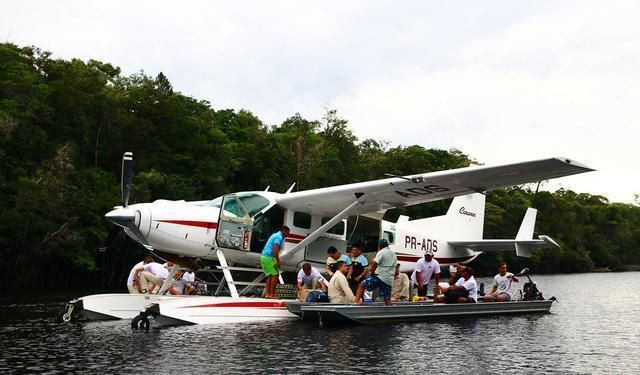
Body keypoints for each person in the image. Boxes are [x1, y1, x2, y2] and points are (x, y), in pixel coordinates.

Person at [353, 239, 398, 306]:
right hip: (388, 279)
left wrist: (372, 272)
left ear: (379, 246)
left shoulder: (381, 252)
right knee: (387, 300)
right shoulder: (393, 254)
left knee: (361, 285)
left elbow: (374, 263)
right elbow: (395, 267)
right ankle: (392, 312)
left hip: (380, 277)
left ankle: (356, 302)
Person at [261, 225, 290, 299]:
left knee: (270, 276)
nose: (288, 235)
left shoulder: (275, 234)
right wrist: (278, 261)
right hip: (268, 257)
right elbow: (275, 250)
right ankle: (272, 294)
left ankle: (268, 294)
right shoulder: (279, 237)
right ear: (284, 231)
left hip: (264, 256)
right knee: (275, 275)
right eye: (287, 233)